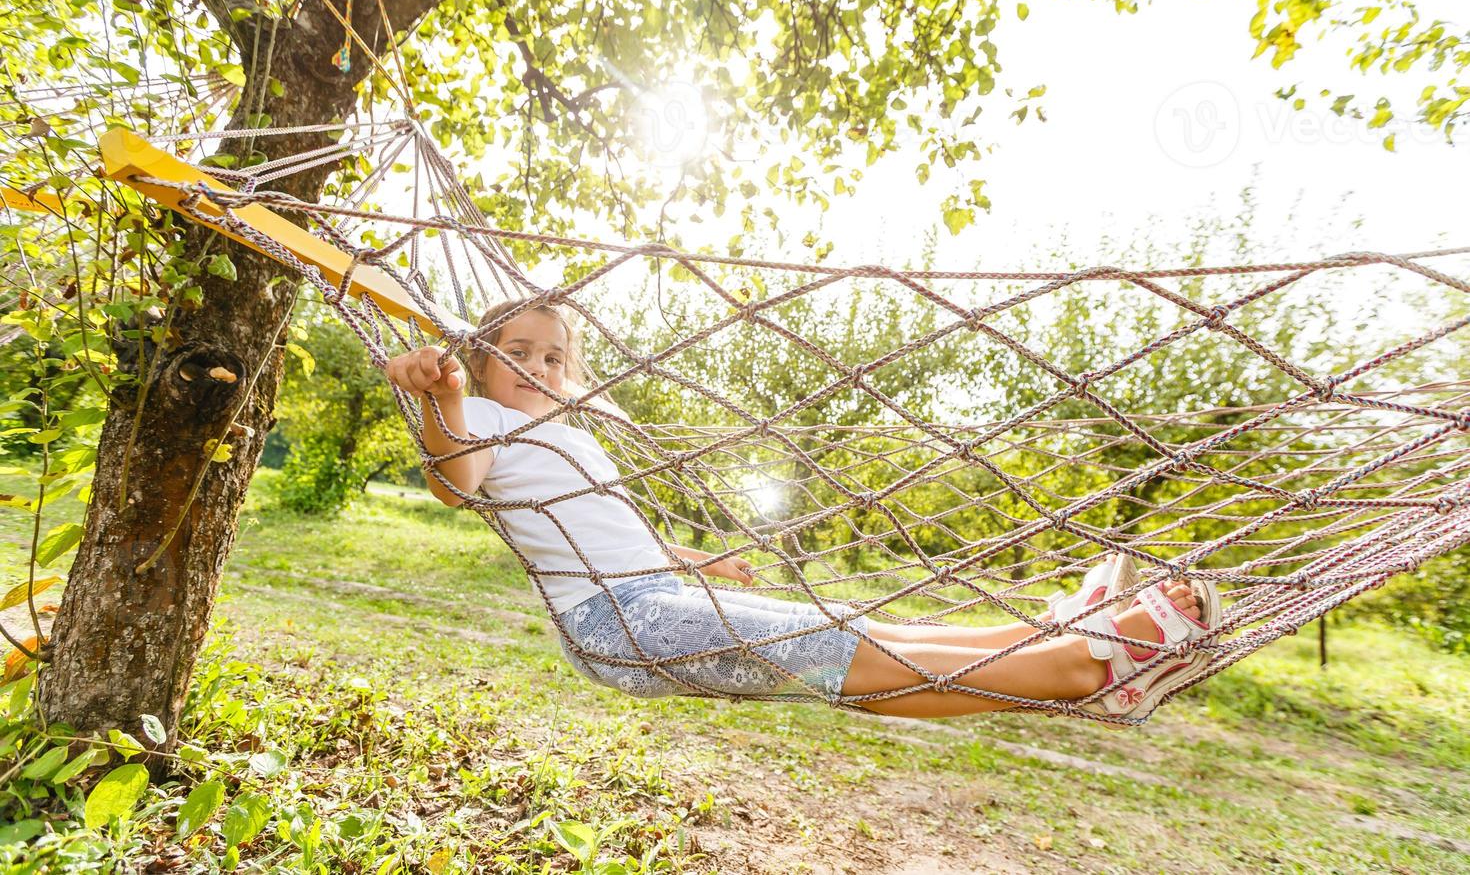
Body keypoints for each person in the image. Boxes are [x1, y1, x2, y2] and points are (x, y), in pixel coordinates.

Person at [385, 299, 1223, 722]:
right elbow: (456, 483)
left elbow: (600, 529)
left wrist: (687, 559)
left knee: (856, 626)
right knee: (843, 656)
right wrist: (439, 396)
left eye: (553, 356)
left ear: (572, 373)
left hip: (653, 596)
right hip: (616, 626)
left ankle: (1057, 632)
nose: (535, 366)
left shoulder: (572, 434)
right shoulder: (480, 418)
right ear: (480, 362)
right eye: (514, 354)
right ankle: (1092, 674)